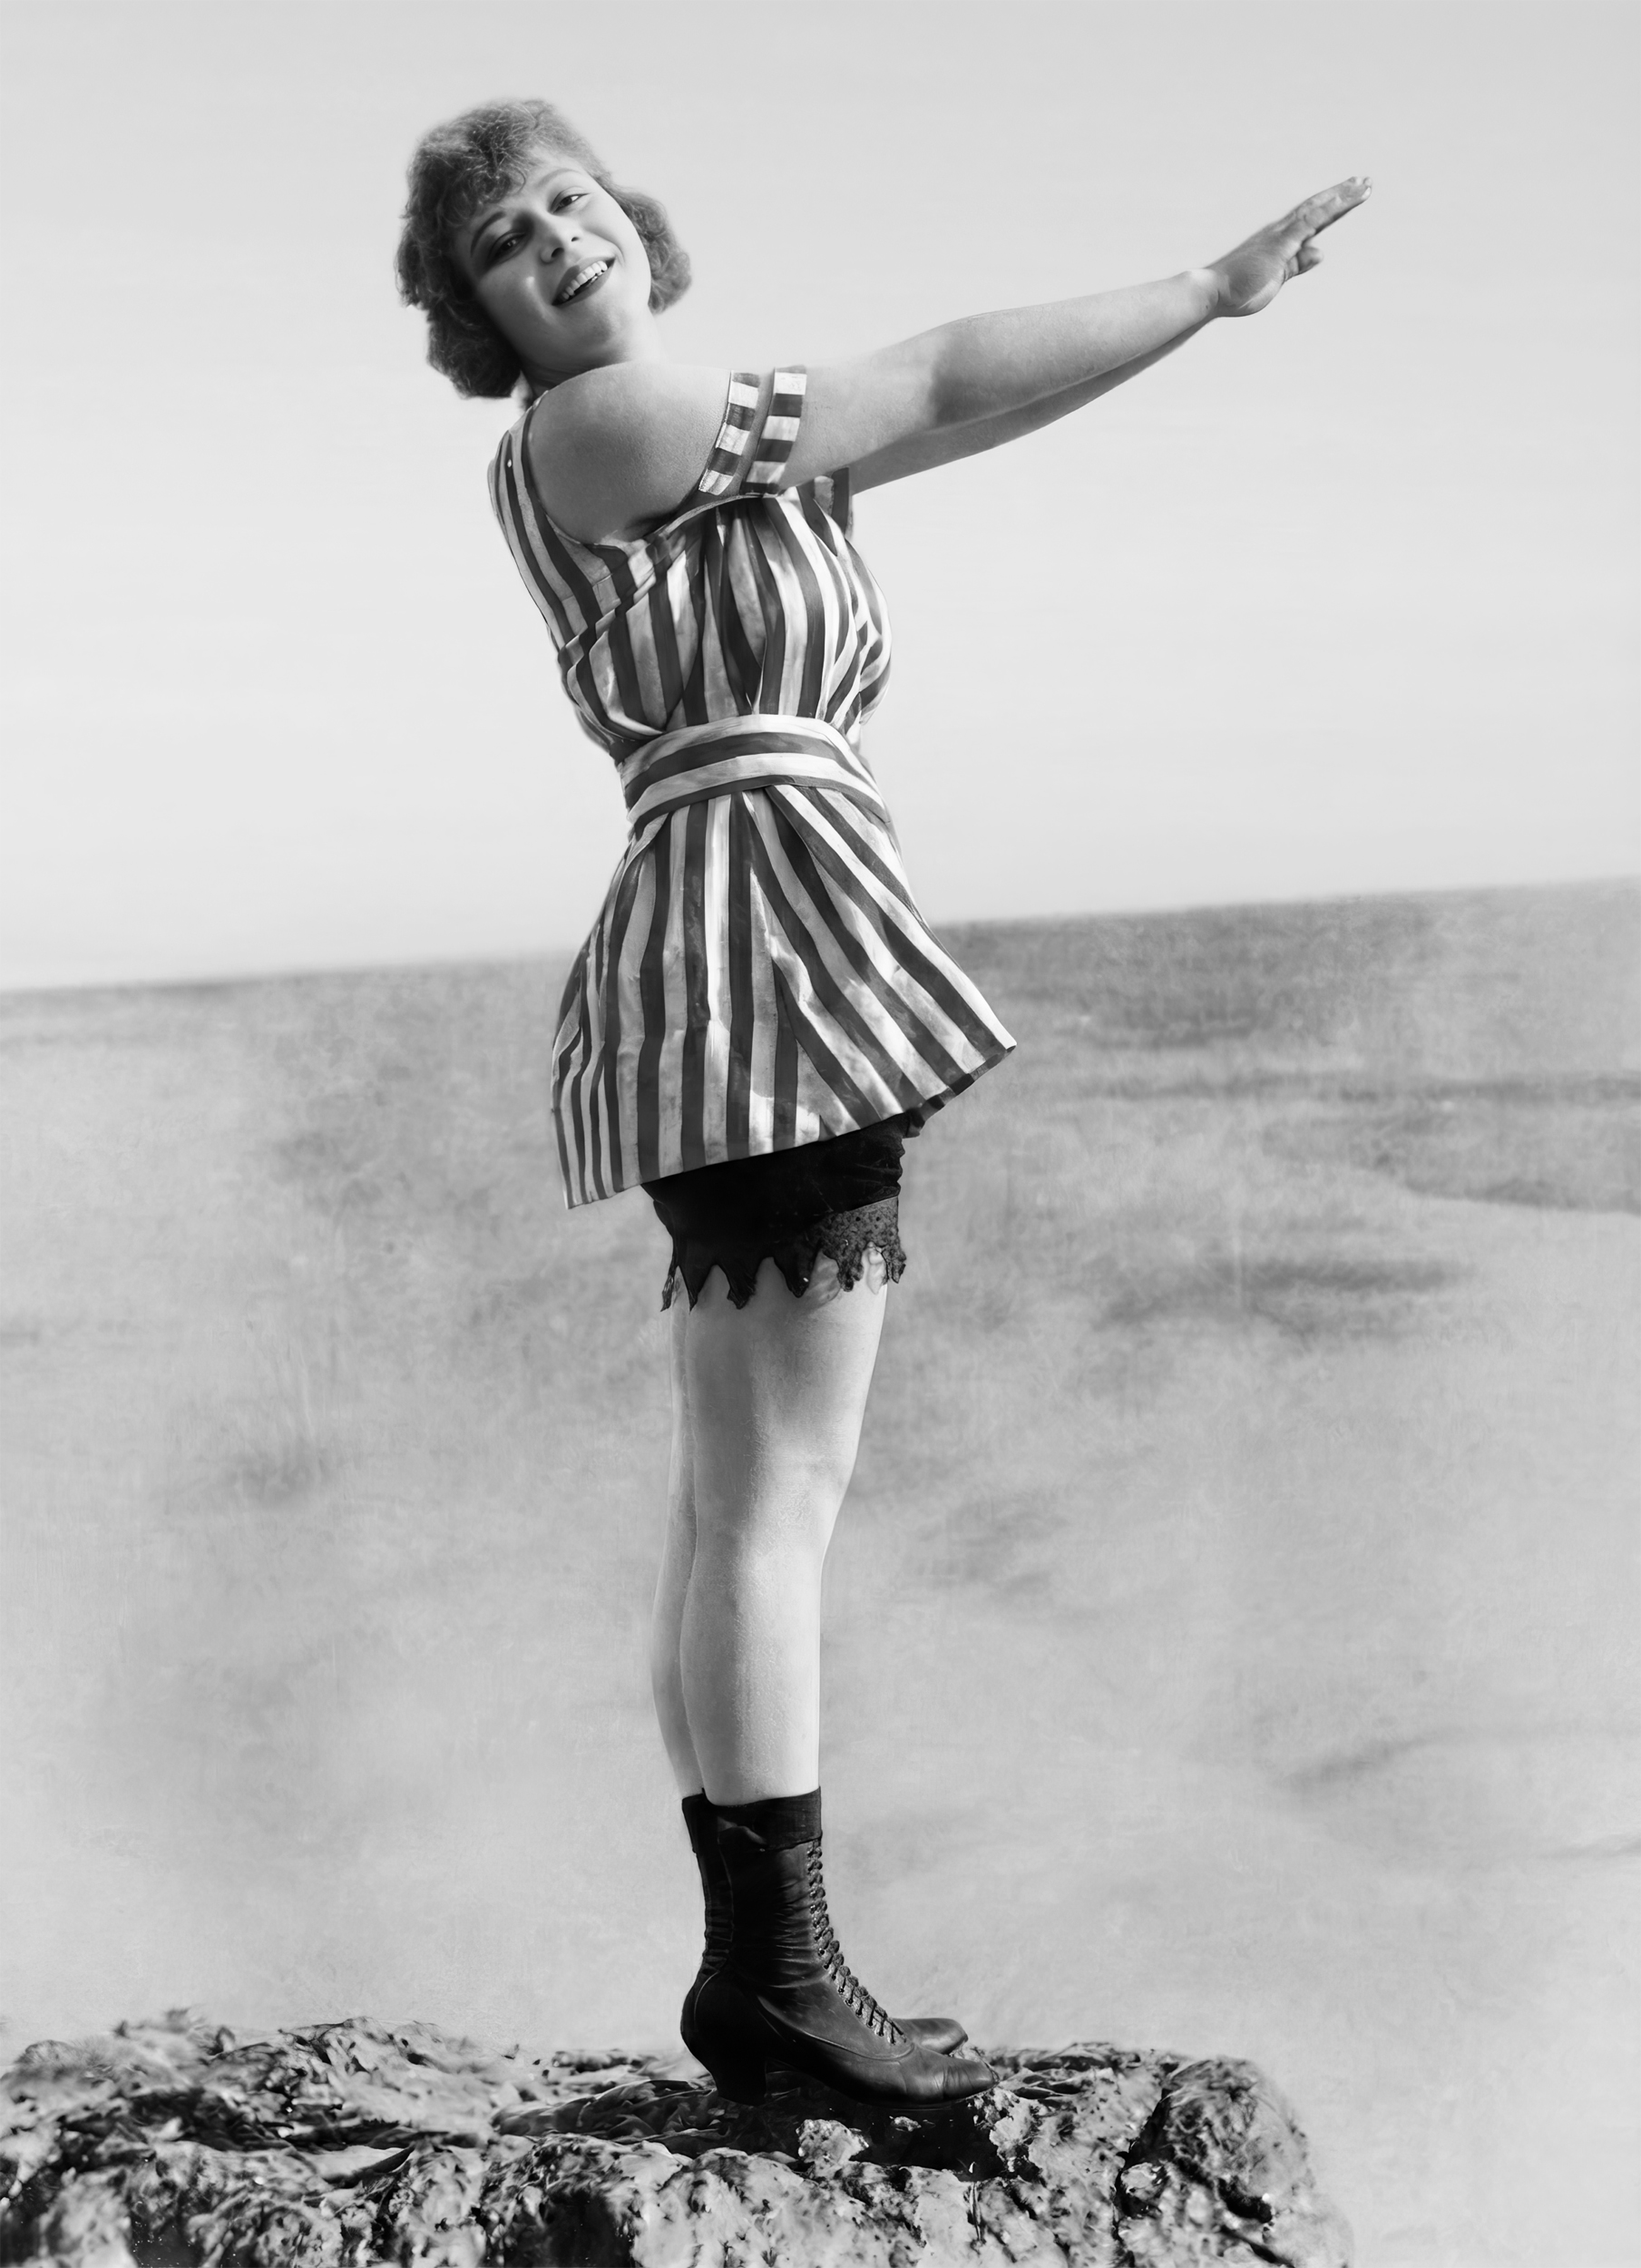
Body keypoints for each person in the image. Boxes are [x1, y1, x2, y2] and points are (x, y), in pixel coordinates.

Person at [396, 103, 1368, 2110]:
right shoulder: (607, 426)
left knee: (727, 1499)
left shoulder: (688, 460)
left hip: (732, 955)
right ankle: (780, 1980)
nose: (558, 237)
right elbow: (925, 376)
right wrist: (1206, 284)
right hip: (760, 955)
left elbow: (954, 414)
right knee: (776, 1504)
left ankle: (760, 1974)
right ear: (482, 312)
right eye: (506, 238)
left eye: (571, 196)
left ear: (630, 214)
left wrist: (1191, 316)